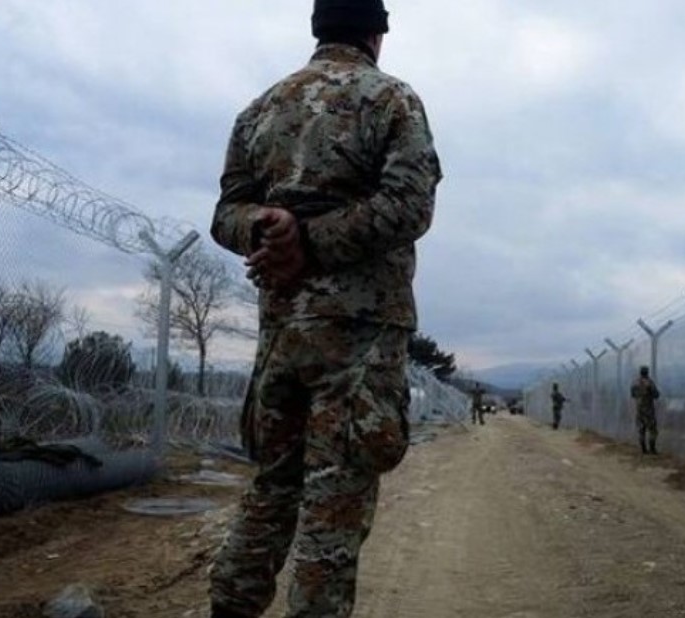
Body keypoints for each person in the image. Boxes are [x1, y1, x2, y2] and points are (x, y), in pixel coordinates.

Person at [206, 0, 442, 615]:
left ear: (319, 29)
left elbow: (225, 214)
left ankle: (230, 607)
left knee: (272, 487)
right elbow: (410, 206)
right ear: (376, 33)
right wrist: (307, 241)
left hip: (282, 332)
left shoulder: (261, 109)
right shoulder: (391, 100)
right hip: (358, 339)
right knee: (333, 503)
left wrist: (265, 226)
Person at [630, 366, 660, 455]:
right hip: (649, 410)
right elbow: (656, 395)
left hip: (639, 409)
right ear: (647, 372)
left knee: (641, 429)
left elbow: (633, 395)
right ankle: (652, 449)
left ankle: (643, 449)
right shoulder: (649, 383)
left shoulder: (635, 383)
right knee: (652, 430)